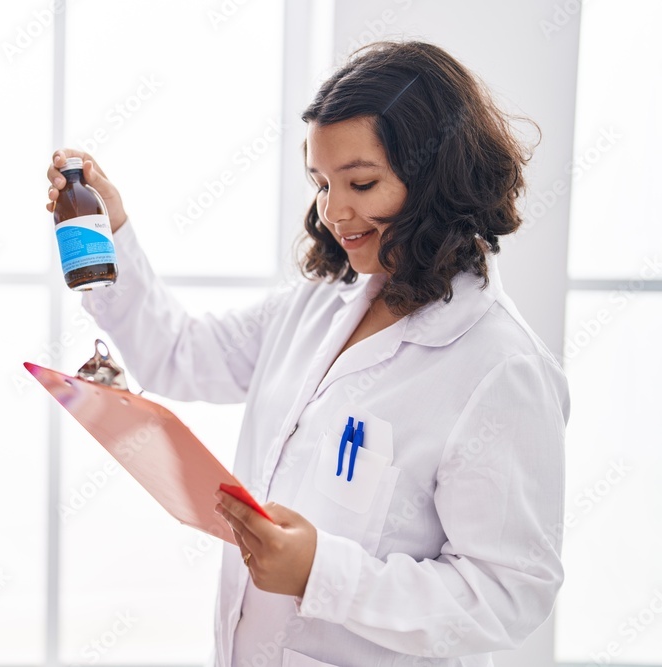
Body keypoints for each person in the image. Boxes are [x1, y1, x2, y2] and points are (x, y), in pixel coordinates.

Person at [45, 40, 568, 667]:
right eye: (321, 183)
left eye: (362, 183)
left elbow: (509, 593)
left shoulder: (502, 367)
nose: (335, 211)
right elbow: (178, 354)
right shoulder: (320, 304)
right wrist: (113, 232)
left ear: (438, 180)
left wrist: (324, 573)